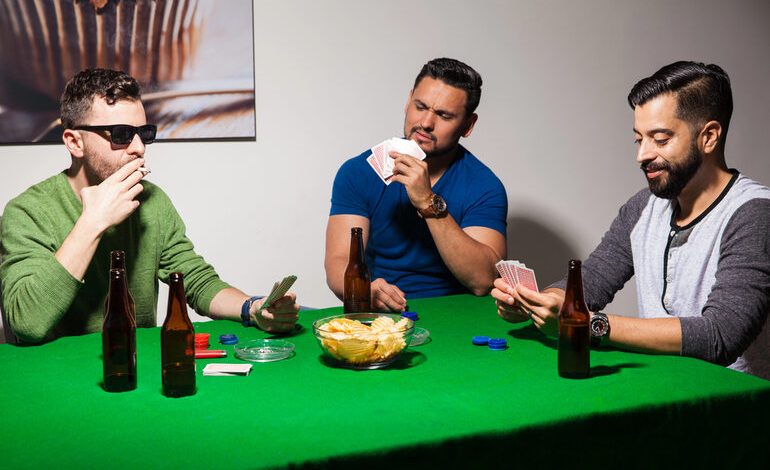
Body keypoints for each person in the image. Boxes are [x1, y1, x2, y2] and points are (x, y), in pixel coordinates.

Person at [493, 61, 770, 379]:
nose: (642, 155)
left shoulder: (755, 213)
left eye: (661, 139)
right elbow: (594, 280)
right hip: (660, 392)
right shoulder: (644, 206)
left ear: (708, 137)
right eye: (639, 139)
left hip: (736, 406)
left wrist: (589, 323)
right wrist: (543, 303)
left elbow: (720, 336)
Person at [0, 68, 299, 344]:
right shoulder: (26, 212)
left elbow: (196, 280)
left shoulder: (151, 201)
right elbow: (26, 322)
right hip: (56, 382)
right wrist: (92, 222)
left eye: (144, 134)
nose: (139, 148)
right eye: (120, 135)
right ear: (74, 142)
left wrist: (252, 307)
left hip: (133, 368)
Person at [325, 58, 508, 312]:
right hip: (381, 316)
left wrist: (428, 203)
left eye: (444, 115)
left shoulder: (485, 186)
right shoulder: (358, 172)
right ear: (408, 100)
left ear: (468, 125)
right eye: (420, 106)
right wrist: (362, 291)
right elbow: (338, 261)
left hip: (459, 319)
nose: (425, 123)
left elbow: (483, 281)